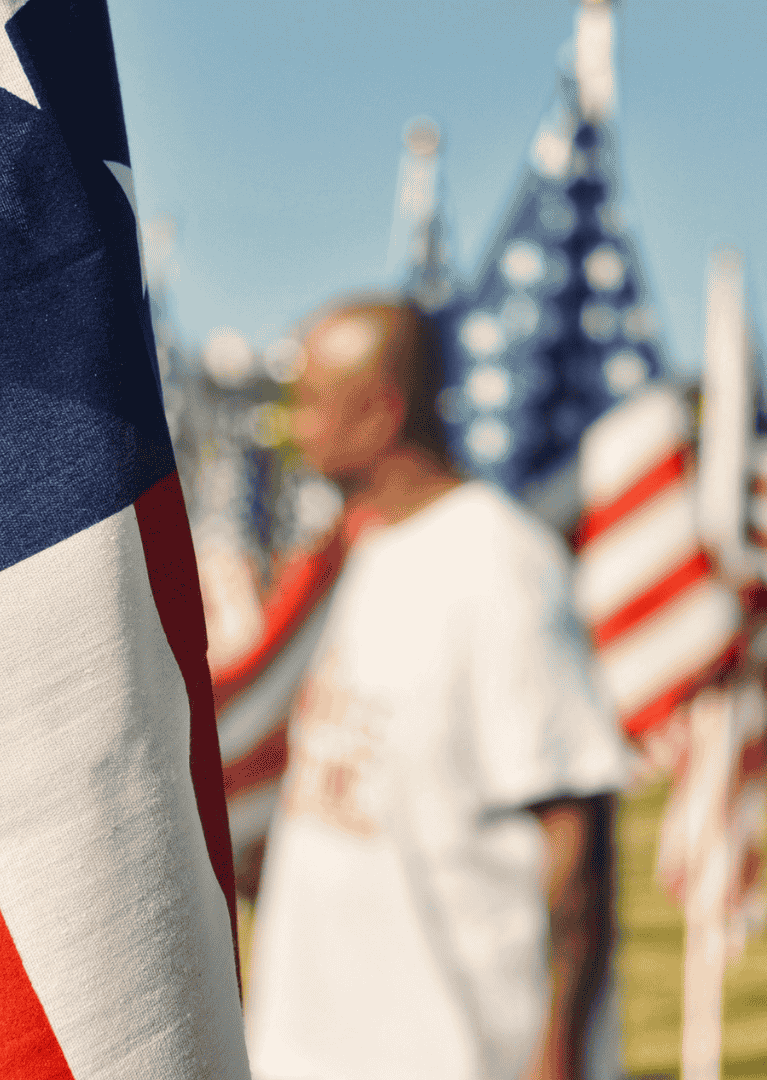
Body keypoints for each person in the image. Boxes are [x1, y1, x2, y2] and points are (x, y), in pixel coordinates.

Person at [244, 296, 634, 1080]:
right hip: (314, 1050)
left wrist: (555, 1055)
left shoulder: (500, 567)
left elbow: (576, 843)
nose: (296, 422)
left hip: (456, 1053)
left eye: (315, 400)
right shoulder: (365, 550)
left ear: (381, 413)